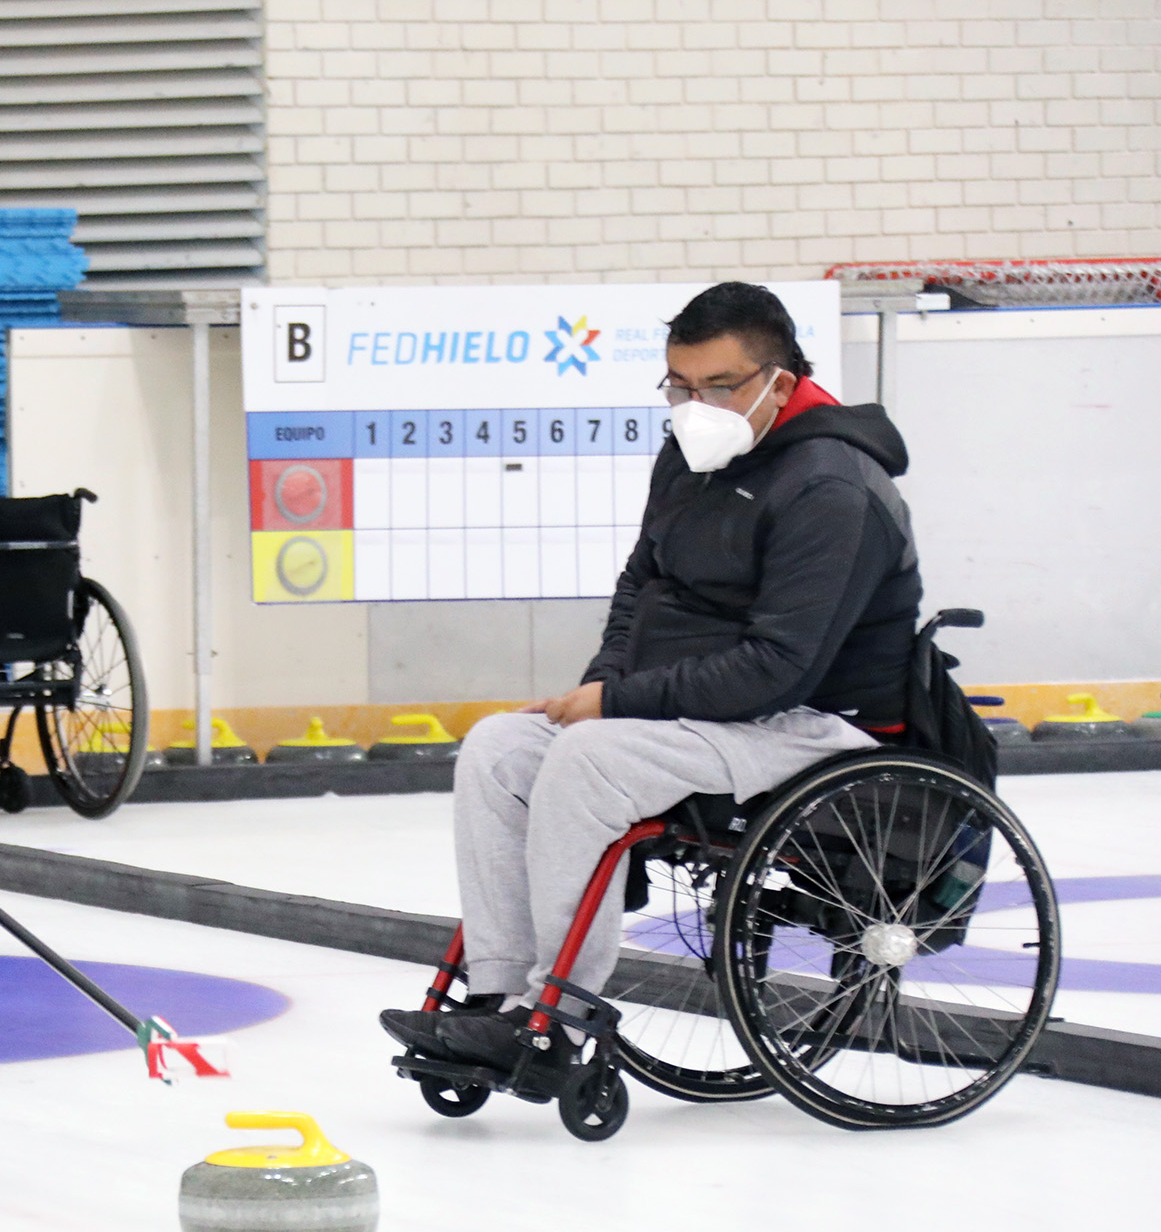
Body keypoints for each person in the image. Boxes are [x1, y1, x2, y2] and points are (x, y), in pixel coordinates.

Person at [381, 282, 922, 1076]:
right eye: (680, 385)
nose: (694, 404)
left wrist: (616, 705)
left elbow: (780, 669)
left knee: (587, 760)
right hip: (691, 710)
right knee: (500, 747)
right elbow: (642, 587)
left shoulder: (832, 487)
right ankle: (498, 997)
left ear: (781, 379)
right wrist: (603, 685)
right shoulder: (693, 454)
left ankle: (557, 1020)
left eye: (718, 386)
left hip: (803, 722)